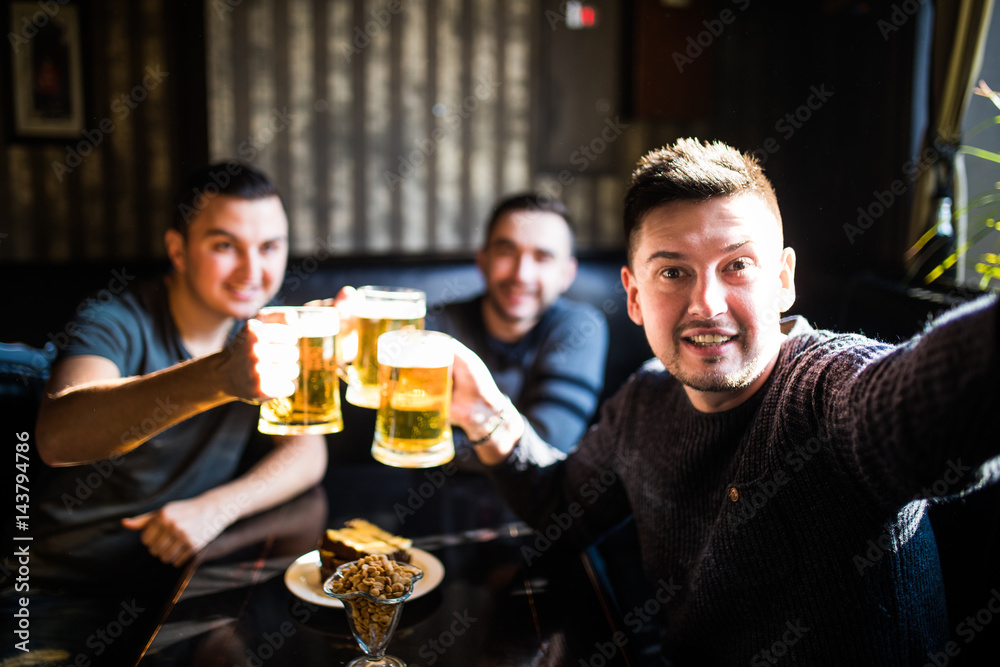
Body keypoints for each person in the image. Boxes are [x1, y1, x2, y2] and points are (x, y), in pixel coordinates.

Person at [447, 138, 1000, 664]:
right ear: (635, 297)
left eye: (736, 265)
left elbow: (926, 402)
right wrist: (482, 411)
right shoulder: (645, 401)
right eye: (672, 272)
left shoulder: (824, 386)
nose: (706, 304)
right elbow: (559, 507)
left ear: (783, 280)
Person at [1, 162, 325, 663]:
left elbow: (307, 450)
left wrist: (215, 508)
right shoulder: (115, 319)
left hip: (183, 586)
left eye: (269, 248)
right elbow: (59, 435)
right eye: (224, 246)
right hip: (58, 589)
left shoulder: (265, 326)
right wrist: (220, 375)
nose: (251, 272)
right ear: (177, 250)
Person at [426, 193, 608, 459]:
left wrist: (450, 444)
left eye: (542, 257)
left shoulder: (580, 328)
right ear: (483, 261)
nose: (521, 274)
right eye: (506, 251)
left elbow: (548, 447)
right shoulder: (436, 324)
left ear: (566, 275)